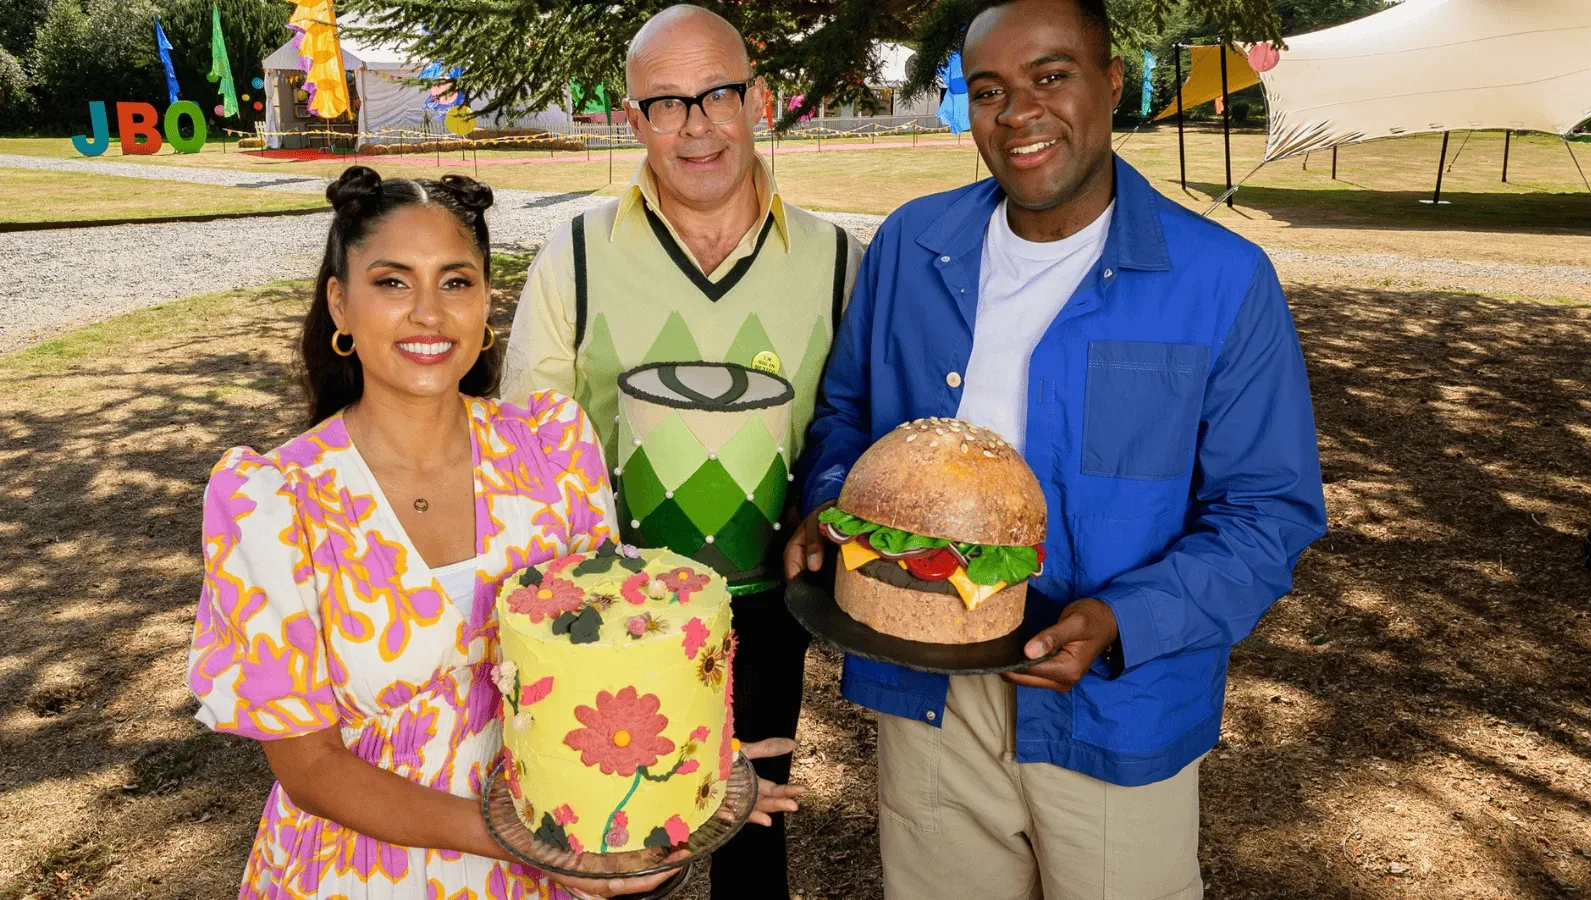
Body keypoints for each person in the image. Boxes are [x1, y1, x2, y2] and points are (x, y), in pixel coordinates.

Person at [787, 1, 1327, 898]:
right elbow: (845, 418)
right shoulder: (910, 250)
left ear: (1111, 82)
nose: (1019, 114)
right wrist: (838, 503)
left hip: (1116, 704)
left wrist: (1125, 620)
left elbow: (1267, 512)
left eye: (1051, 76)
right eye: (990, 90)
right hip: (926, 690)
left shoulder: (1222, 280)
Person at [187, 166, 800, 900]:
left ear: (485, 303)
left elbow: (609, 654)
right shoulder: (273, 501)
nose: (428, 313)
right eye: (391, 282)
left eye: (456, 282)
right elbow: (311, 768)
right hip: (361, 873)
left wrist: (686, 779)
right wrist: (519, 844)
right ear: (339, 305)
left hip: (546, 864)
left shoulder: (551, 447)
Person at [502, 7, 861, 897]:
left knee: (751, 831)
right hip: (603, 614)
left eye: (718, 96)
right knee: (608, 845)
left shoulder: (839, 260)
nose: (696, 126)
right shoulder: (575, 254)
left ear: (759, 100)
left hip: (767, 604)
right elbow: (524, 447)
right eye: (666, 104)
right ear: (632, 121)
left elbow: (858, 429)